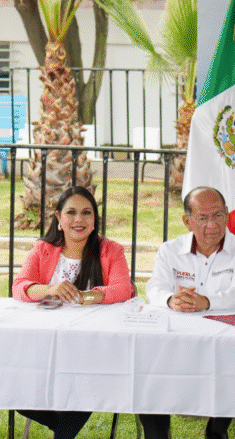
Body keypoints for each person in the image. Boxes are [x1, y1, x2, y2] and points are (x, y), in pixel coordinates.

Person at [12, 185, 133, 439]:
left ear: (95, 220)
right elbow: (20, 287)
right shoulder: (43, 248)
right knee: (13, 378)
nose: (79, 220)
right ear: (58, 218)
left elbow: (124, 289)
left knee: (87, 381)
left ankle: (63, 433)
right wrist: (49, 289)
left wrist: (86, 296)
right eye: (71, 213)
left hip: (93, 346)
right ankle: (61, 426)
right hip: (45, 343)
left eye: (87, 213)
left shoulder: (111, 250)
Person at [141, 186, 235, 439]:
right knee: (146, 366)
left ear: (228, 214)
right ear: (187, 222)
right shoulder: (169, 250)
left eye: (218, 216)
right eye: (203, 218)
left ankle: (217, 431)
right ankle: (157, 433)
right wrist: (170, 299)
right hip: (177, 339)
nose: (212, 225)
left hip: (228, 339)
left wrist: (206, 302)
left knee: (229, 361)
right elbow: (154, 287)